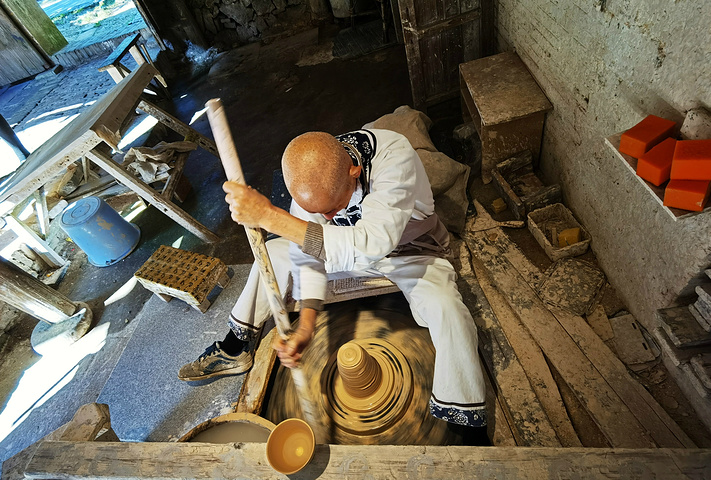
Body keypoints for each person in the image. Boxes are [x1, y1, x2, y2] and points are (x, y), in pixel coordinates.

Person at [179, 128, 487, 431]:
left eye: (333, 208)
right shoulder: (311, 181)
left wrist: (270, 216)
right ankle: (236, 348)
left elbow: (371, 244)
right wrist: (306, 325)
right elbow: (308, 253)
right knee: (272, 253)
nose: (327, 218)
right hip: (343, 255)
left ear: (354, 172)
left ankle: (458, 418)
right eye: (318, 212)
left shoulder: (395, 157)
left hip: (409, 253)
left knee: (448, 309)